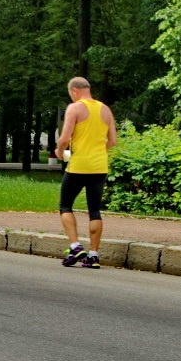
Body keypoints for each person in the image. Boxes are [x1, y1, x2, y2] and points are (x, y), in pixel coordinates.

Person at [54, 77, 117, 269]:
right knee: (94, 210)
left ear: (75, 91)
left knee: (65, 205)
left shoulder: (75, 108)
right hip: (99, 166)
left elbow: (64, 139)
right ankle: (93, 255)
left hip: (78, 165)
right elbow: (112, 141)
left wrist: (59, 151)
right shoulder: (105, 109)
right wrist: (97, 151)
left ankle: (75, 246)